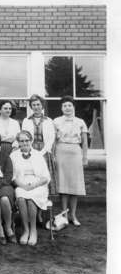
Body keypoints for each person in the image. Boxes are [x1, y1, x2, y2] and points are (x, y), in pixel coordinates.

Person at [10, 131, 51, 246]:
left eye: (27, 140)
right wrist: (22, 186)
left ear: (31, 141)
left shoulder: (38, 155)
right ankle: (25, 230)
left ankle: (33, 230)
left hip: (38, 184)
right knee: (21, 197)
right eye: (21, 141)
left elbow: (45, 177)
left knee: (31, 198)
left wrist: (33, 186)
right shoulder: (13, 156)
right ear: (18, 143)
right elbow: (12, 176)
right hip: (21, 183)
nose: (24, 143)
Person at [53, 96, 88, 226]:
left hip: (75, 153)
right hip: (61, 151)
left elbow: (84, 142)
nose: (67, 108)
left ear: (73, 107)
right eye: (64, 106)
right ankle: (64, 214)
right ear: (61, 108)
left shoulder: (80, 122)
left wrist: (85, 157)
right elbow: (53, 140)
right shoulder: (56, 121)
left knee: (74, 185)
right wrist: (54, 156)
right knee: (63, 184)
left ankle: (73, 214)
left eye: (69, 105)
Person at [22, 94, 56, 195]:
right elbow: (24, 135)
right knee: (32, 174)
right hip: (30, 150)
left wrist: (43, 151)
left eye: (38, 104)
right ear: (31, 107)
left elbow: (51, 138)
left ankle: (45, 200)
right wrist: (30, 151)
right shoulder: (26, 120)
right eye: (34, 105)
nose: (36, 107)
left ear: (42, 106)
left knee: (43, 175)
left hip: (45, 150)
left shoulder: (49, 121)